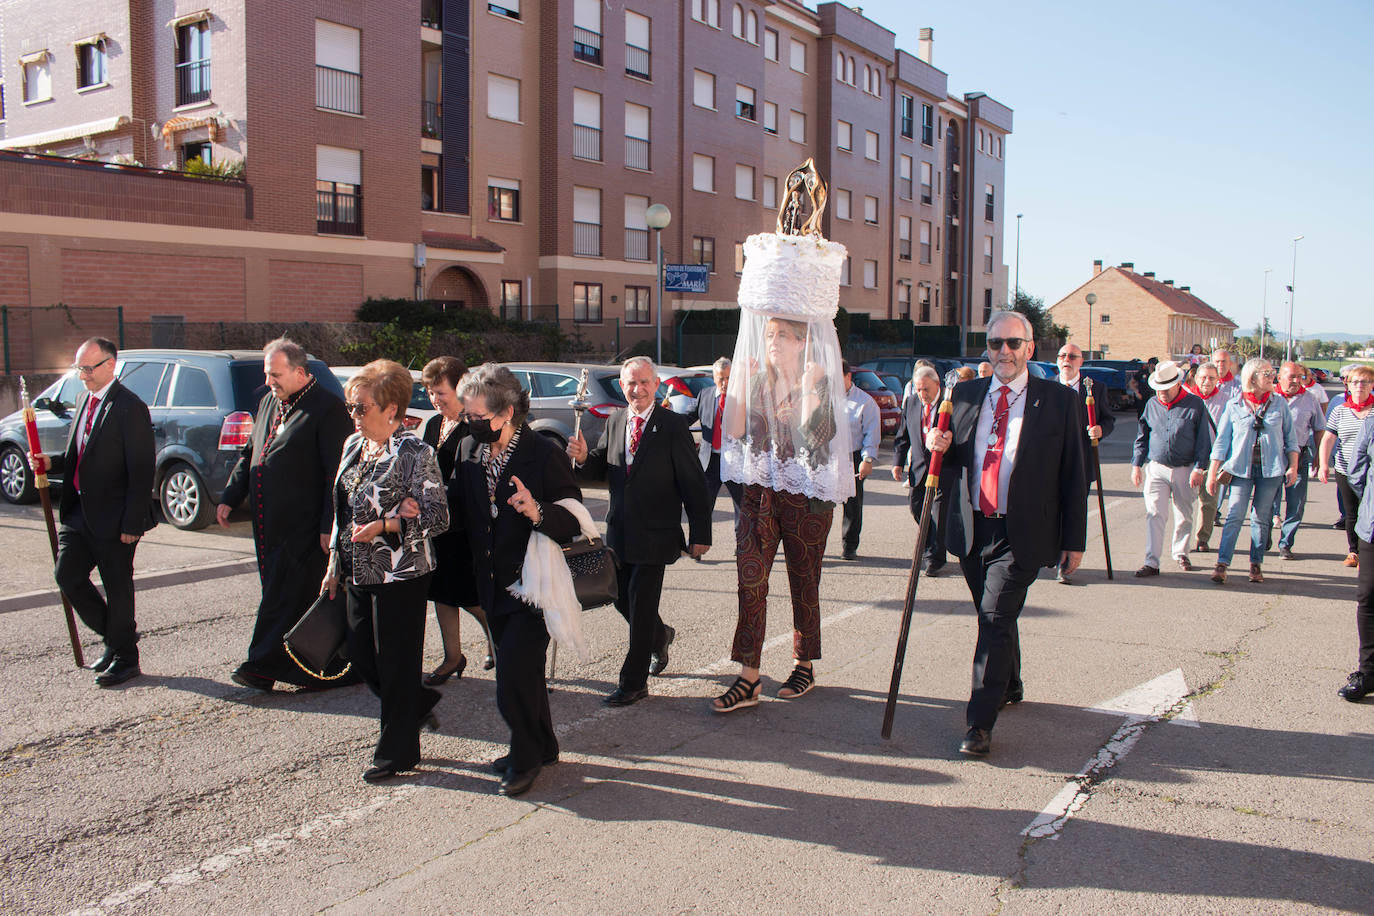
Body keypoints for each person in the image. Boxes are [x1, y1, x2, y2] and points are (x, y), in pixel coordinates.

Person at [925, 310, 1087, 757]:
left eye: (1013, 344)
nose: (1004, 352)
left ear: (1030, 349)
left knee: (993, 618)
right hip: (975, 529)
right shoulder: (965, 393)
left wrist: (1075, 540)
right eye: (995, 344)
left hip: (1024, 532)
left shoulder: (1057, 401)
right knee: (992, 616)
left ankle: (979, 721)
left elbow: (1075, 475)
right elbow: (955, 460)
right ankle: (1010, 682)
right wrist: (940, 447)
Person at [714, 304, 852, 711]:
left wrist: (810, 387)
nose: (773, 342)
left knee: (803, 580)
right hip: (758, 496)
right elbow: (734, 430)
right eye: (769, 335)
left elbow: (816, 438)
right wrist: (738, 377)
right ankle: (749, 676)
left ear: (801, 342)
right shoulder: (755, 381)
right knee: (750, 579)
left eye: (782, 336)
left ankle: (803, 664)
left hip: (807, 497)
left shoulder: (819, 381)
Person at [456, 364, 583, 797]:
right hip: (492, 583)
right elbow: (462, 510)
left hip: (532, 585)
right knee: (523, 675)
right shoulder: (470, 449)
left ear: (507, 411)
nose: (469, 423)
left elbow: (575, 521)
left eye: (476, 415)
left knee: (512, 679)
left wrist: (537, 511)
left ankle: (525, 759)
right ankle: (543, 745)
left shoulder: (542, 454)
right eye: (467, 415)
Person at [322, 360, 449, 783]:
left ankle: (397, 753)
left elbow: (438, 517)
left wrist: (389, 524)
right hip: (357, 569)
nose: (354, 415)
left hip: (401, 572)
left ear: (391, 409)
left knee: (396, 662)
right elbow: (341, 510)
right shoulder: (352, 446)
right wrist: (332, 565)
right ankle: (415, 703)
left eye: (361, 407)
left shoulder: (416, 453)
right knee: (362, 657)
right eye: (351, 407)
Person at [568, 356, 712, 706]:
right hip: (620, 531)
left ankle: (633, 682)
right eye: (631, 383)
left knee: (642, 605)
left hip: (656, 531)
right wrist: (585, 458)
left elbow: (693, 481)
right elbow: (602, 469)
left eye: (645, 382)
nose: (638, 389)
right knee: (619, 597)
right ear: (622, 385)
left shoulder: (673, 425)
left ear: (657, 384)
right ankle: (660, 636)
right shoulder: (617, 420)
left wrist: (700, 533)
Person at [217, 337, 355, 691]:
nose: (269, 382)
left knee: (283, 597)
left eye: (275, 375)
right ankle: (318, 667)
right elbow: (251, 454)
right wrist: (230, 496)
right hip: (269, 524)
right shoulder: (268, 402)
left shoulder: (327, 409)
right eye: (267, 374)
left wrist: (329, 524)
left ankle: (260, 667)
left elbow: (335, 474)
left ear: (299, 371)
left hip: (306, 526)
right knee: (287, 599)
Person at [29, 337, 155, 687]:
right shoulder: (85, 399)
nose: (82, 375)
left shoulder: (130, 407)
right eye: (79, 368)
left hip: (116, 519)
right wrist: (50, 462)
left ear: (110, 365)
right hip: (78, 512)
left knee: (118, 587)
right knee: (67, 576)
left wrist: (133, 522)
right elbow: (81, 454)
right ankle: (117, 639)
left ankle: (127, 659)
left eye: (88, 368)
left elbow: (142, 470)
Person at [418, 356, 495, 684]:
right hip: (435, 525)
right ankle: (453, 657)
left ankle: (500, 642)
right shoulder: (434, 425)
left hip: (464, 526)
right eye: (431, 393)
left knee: (469, 594)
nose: (435, 400)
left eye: (441, 393)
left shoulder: (474, 426)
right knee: (440, 593)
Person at [1206, 358, 1298, 585]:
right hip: (1240, 469)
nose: (1272, 377)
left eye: (1271, 372)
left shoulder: (1279, 404)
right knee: (1235, 515)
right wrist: (1212, 473)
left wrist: (1293, 466)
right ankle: (1222, 563)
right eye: (1266, 373)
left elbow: (1291, 439)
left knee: (1261, 517)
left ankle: (1256, 564)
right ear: (1252, 377)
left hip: (1271, 470)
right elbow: (1221, 442)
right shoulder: (1234, 405)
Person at [1130, 361, 1211, 576]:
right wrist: (1136, 464)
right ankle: (1152, 561)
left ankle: (1181, 552)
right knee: (1155, 513)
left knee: (1184, 513)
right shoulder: (1152, 404)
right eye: (1159, 389)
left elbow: (1204, 439)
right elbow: (1142, 436)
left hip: (1185, 468)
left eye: (1166, 389)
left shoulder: (1195, 405)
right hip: (1157, 467)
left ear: (1177, 385)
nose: (1162, 393)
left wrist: (1199, 468)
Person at [1054, 343, 1115, 583]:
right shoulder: (1047, 387)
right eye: (1062, 356)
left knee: (1075, 511)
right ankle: (1052, 554)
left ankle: (1067, 562)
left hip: (1081, 460)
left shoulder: (1094, 388)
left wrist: (1100, 429)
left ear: (1080, 361)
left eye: (1072, 356)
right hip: (1051, 462)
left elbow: (1108, 419)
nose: (1066, 360)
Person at [892, 364, 949, 575]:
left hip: (943, 470)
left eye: (926, 389)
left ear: (937, 384)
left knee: (937, 513)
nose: (922, 394)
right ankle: (929, 547)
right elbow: (903, 434)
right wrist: (898, 462)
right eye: (918, 389)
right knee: (916, 508)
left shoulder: (949, 403)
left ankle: (935, 557)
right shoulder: (912, 402)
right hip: (918, 468)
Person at [1320, 365, 1374, 568]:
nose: (1360, 386)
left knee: (1370, 512)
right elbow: (1328, 438)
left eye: (1365, 382)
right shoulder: (1340, 411)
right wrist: (1324, 464)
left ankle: (1369, 551)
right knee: (1352, 513)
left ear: (1372, 385)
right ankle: (1355, 552)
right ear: (1348, 385)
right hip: (1346, 470)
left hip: (1371, 472)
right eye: (1355, 382)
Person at [1272, 361, 1326, 560]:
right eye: (1291, 376)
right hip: (1271, 458)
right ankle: (1263, 534)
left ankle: (1286, 543)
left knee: (1296, 503)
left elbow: (1319, 428)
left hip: (1300, 457)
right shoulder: (1269, 397)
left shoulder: (1309, 399)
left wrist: (1319, 456)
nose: (1296, 381)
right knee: (1266, 501)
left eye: (1299, 377)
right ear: (1279, 378)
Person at [1337, 416, 1374, 701]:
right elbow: (1356, 471)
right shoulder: (1371, 423)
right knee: (1368, 595)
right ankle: (1368, 672)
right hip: (1372, 527)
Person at [839, 360, 881, 561]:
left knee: (852, 503)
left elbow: (871, 433)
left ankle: (850, 544)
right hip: (829, 456)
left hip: (853, 455)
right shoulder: (824, 398)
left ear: (848, 376)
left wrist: (867, 459)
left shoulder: (865, 401)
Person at [1183, 362, 1226, 551]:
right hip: (1187, 456)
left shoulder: (1225, 401)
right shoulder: (1186, 398)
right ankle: (1182, 540)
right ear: (1195, 378)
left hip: (1212, 457)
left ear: (1217, 380)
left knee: (1208, 500)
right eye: (1203, 377)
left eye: (1211, 378)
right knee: (1184, 500)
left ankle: (1202, 538)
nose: (1207, 381)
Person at [692, 357, 743, 515]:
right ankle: (700, 540)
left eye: (729, 378)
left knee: (742, 509)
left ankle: (742, 540)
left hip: (735, 461)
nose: (725, 382)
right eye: (721, 378)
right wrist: (666, 415)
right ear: (714, 378)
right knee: (703, 508)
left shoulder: (741, 399)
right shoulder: (704, 395)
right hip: (710, 461)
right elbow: (687, 417)